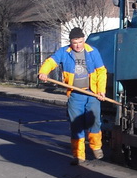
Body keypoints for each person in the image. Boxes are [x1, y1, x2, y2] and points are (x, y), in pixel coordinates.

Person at [38, 27, 107, 165]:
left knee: (95, 121)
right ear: (71, 42)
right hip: (76, 94)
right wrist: (43, 72)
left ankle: (96, 147)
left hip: (92, 93)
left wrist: (101, 90)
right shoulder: (64, 52)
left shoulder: (92, 52)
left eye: (80, 42)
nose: (78, 45)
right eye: (75, 42)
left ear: (83, 40)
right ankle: (79, 156)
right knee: (76, 125)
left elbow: (101, 71)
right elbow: (51, 62)